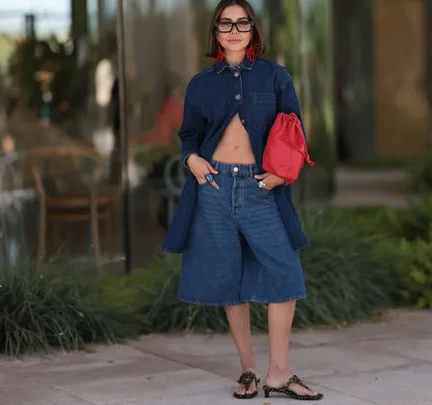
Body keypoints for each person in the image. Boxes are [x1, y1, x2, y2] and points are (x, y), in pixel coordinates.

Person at [161, 0, 323, 401]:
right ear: (215, 32)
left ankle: (279, 372)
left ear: (254, 30)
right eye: (225, 23)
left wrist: (283, 172)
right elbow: (188, 136)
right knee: (230, 279)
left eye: (242, 22)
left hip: (260, 188)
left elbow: (294, 129)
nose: (234, 29)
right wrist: (191, 158)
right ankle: (249, 370)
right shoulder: (201, 84)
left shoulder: (274, 76)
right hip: (213, 186)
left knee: (285, 273)